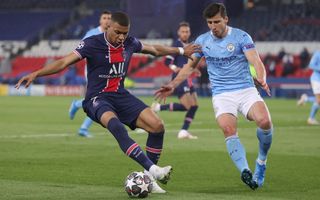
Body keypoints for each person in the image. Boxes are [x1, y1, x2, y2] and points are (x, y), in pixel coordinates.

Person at [15, 12, 200, 194]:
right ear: (108, 26)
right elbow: (64, 62)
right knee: (116, 126)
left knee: (157, 126)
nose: (121, 37)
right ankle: (153, 170)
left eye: (125, 33)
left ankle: (149, 180)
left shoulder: (130, 42)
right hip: (97, 98)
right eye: (117, 32)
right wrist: (36, 73)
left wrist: (181, 51)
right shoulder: (91, 43)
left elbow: (154, 50)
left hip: (120, 95)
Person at [155, 3, 273, 190]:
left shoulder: (241, 36)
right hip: (222, 94)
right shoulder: (202, 41)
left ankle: (261, 162)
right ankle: (245, 171)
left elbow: (255, 60)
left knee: (265, 122)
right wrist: (172, 85)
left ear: (226, 19)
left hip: (245, 89)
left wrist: (262, 77)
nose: (213, 26)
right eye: (209, 22)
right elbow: (189, 67)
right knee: (228, 129)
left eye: (217, 21)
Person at [151, 22, 199, 139]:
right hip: (179, 79)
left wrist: (195, 69)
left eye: (187, 31)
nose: (185, 34)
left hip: (188, 78)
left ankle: (183, 131)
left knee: (195, 105)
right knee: (187, 106)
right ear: (178, 33)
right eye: (183, 31)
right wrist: (175, 68)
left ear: (189, 32)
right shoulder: (177, 44)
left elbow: (189, 64)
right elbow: (167, 61)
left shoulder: (189, 45)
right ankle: (158, 108)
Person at [69, 10, 112, 137]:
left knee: (100, 100)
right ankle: (83, 126)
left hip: (108, 71)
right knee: (100, 100)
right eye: (104, 18)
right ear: (100, 20)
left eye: (109, 18)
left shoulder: (112, 34)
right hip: (94, 71)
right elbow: (82, 51)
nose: (107, 20)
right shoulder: (91, 34)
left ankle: (78, 106)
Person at [297, 50, 320, 125]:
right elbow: (311, 65)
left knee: (319, 99)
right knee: (319, 100)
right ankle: (311, 119)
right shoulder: (317, 53)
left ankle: (305, 99)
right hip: (316, 79)